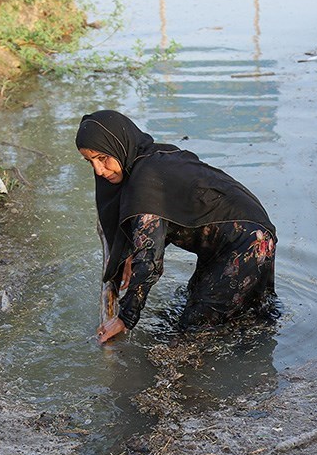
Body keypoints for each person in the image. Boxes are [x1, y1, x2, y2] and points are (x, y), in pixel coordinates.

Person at [75, 110, 278, 343]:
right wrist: (129, 252)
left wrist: (124, 318)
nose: (99, 171)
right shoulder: (154, 158)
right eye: (89, 161)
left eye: (103, 158)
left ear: (119, 145)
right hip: (234, 241)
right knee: (206, 308)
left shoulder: (145, 181)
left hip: (247, 243)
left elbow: (150, 260)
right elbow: (163, 224)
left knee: (190, 333)